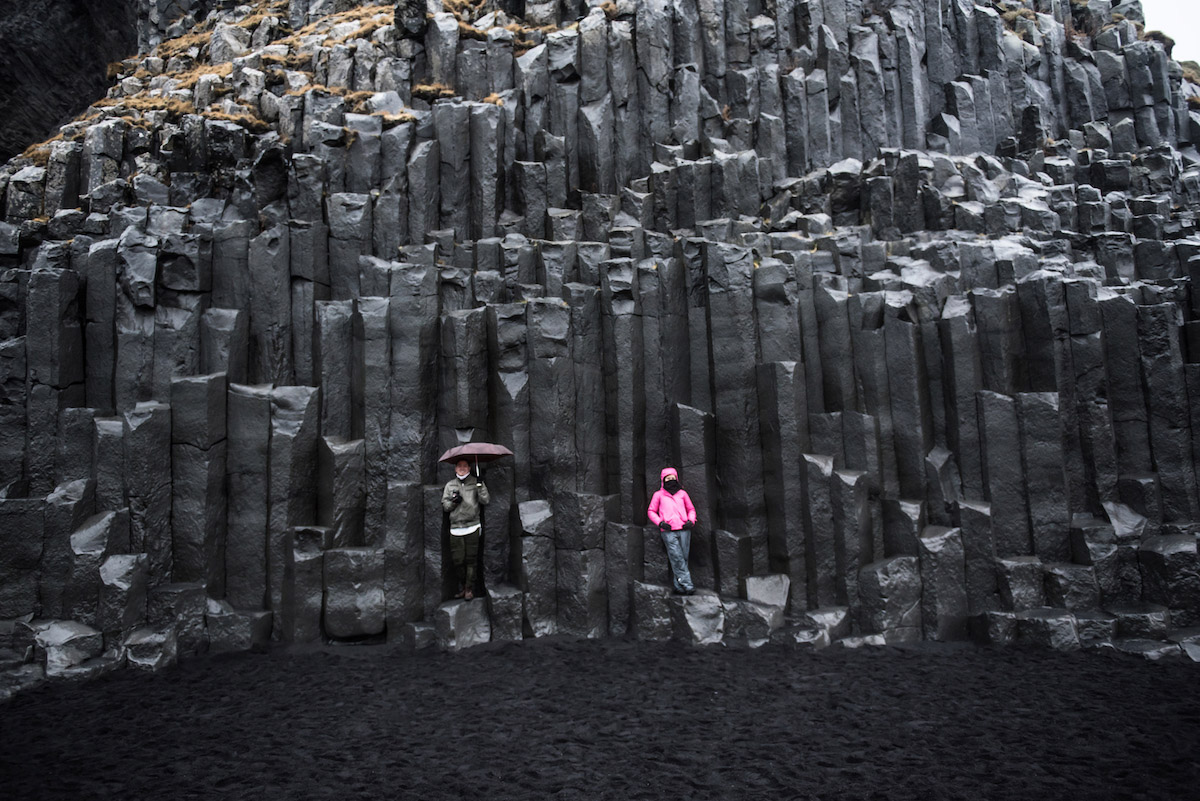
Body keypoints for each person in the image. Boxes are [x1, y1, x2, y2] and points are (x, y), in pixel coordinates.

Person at [441, 459, 490, 600]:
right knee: (458, 560)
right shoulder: (450, 485)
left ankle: (469, 589)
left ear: (469, 468)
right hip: (456, 527)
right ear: (455, 469)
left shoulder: (475, 482)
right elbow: (445, 506)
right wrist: (454, 503)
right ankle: (463, 585)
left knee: (471, 559)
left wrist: (480, 486)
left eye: (464, 466)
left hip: (472, 526)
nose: (462, 468)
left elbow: (485, 500)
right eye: (459, 466)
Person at [646, 467, 696, 595]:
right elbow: (651, 511)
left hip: (684, 529)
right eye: (668, 478)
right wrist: (660, 523)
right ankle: (688, 584)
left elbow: (691, 509)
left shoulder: (682, 494)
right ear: (663, 480)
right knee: (676, 556)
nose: (670, 480)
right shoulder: (658, 495)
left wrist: (691, 520)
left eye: (672, 478)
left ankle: (678, 586)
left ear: (676, 478)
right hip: (668, 531)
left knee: (683, 557)